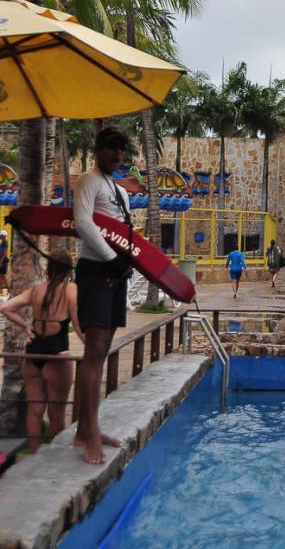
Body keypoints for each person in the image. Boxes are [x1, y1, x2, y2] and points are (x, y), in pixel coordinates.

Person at [73, 126, 132, 465]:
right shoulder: (89, 181)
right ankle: (90, 433)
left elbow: (125, 237)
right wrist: (111, 261)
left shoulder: (119, 191)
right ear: (98, 149)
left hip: (116, 275)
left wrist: (127, 265)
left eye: (121, 149)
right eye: (111, 148)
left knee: (104, 349)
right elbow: (83, 223)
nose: (117, 154)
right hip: (96, 272)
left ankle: (85, 428)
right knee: (93, 351)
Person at [0, 249, 84, 452]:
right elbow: (78, 323)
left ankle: (34, 453)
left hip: (34, 351)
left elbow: (5, 308)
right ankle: (54, 457)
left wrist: (26, 326)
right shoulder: (70, 289)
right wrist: (91, 345)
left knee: (34, 410)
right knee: (57, 412)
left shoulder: (37, 290)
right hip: (57, 353)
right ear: (67, 269)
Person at [0, 229, 9, 293]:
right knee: (1, 275)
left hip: (3, 261)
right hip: (2, 260)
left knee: (2, 275)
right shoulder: (3, 242)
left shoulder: (4, 242)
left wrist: (1, 261)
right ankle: (2, 290)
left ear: (3, 235)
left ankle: (6, 290)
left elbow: (5, 253)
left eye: (0, 235)